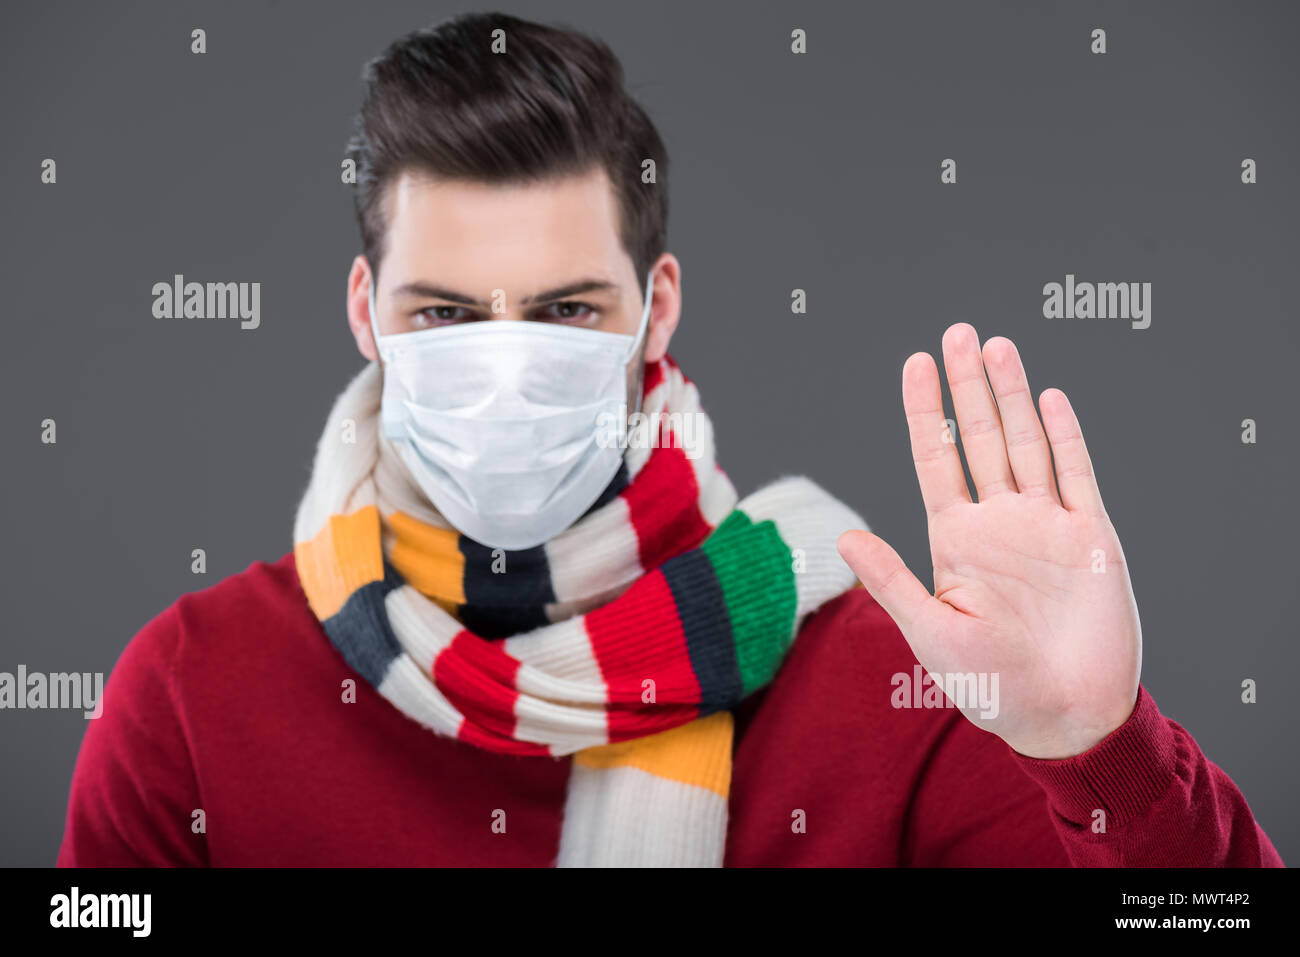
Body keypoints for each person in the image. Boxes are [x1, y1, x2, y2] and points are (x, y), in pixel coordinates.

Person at [57, 11, 1282, 867]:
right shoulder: (190, 695)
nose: (506, 363)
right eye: (443, 313)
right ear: (365, 316)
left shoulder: (897, 680)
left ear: (658, 310)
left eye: (566, 309)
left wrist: (1097, 750)